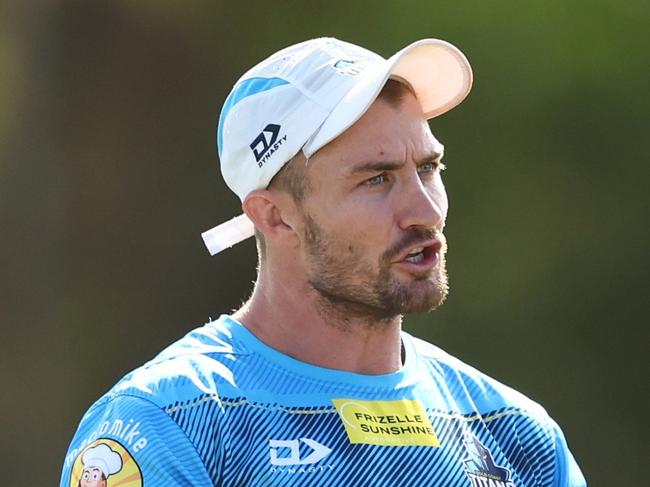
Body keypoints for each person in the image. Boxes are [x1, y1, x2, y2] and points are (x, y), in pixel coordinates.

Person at [60, 37, 586, 486]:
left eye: (427, 168)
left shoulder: (514, 432)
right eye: (376, 179)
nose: (424, 211)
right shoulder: (168, 424)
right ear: (274, 216)